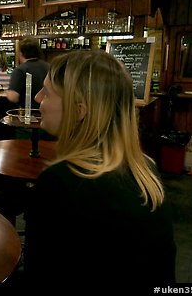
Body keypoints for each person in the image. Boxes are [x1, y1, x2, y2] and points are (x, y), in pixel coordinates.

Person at [22, 49, 176, 289]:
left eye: (48, 93)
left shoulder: (61, 182)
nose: (38, 98)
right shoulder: (146, 170)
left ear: (79, 110)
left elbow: (40, 276)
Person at [6, 36, 49, 109]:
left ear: (21, 53)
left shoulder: (20, 70)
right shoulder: (50, 67)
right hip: (48, 111)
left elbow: (12, 97)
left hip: (28, 113)